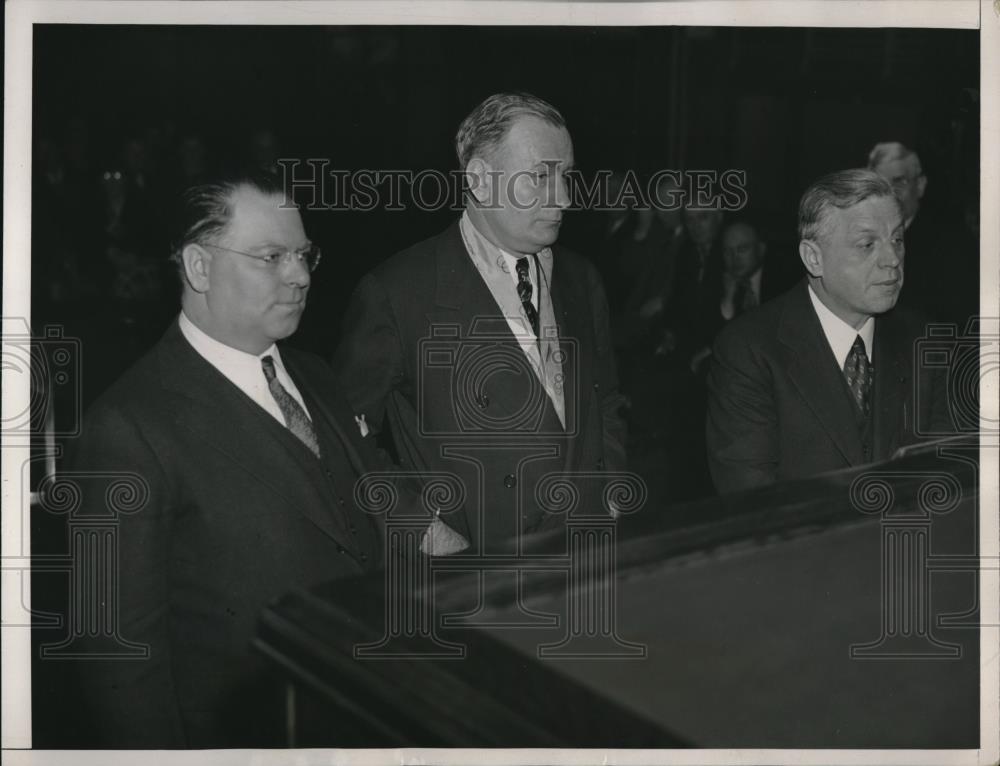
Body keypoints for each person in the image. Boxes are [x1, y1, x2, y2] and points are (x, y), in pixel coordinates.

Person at [64, 171, 394, 748]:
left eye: (304, 254)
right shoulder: (127, 428)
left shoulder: (316, 375)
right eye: (271, 256)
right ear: (199, 267)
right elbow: (121, 663)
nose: (300, 276)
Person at [334, 92, 627, 554]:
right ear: (480, 180)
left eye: (567, 176)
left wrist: (609, 490)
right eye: (541, 177)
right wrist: (422, 529)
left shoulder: (582, 278)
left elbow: (606, 398)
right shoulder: (397, 293)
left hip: (584, 559)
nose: (565, 198)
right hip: (475, 572)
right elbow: (343, 439)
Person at [706, 169, 952, 494]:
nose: (892, 258)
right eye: (867, 244)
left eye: (897, 238)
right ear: (814, 258)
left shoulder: (925, 340)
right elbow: (752, 507)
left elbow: (948, 478)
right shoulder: (748, 351)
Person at [867, 141, 976, 325]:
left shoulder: (951, 241)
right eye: (880, 185)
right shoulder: (863, 238)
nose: (890, 193)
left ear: (920, 185)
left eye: (899, 181)